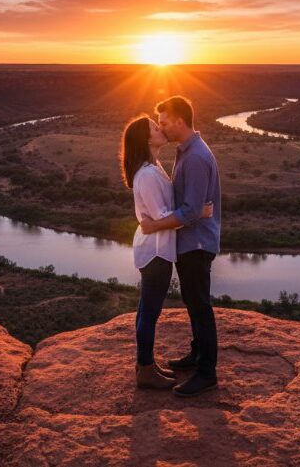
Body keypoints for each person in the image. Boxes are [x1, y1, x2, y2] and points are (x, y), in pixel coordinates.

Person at [120, 114, 213, 390]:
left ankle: (145, 364)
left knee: (147, 310)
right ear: (145, 139)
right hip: (155, 252)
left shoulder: (155, 166)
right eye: (154, 127)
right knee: (149, 312)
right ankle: (145, 370)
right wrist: (198, 213)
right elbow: (160, 216)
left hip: (160, 249)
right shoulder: (147, 175)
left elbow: (158, 217)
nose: (160, 129)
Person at [140, 95, 221, 397]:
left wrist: (154, 226)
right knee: (193, 302)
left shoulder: (197, 157)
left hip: (197, 243)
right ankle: (197, 354)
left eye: (163, 122)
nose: (161, 128)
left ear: (179, 121)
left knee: (200, 306)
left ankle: (207, 373)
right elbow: (191, 205)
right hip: (189, 241)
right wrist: (194, 210)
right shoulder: (185, 151)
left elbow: (189, 211)